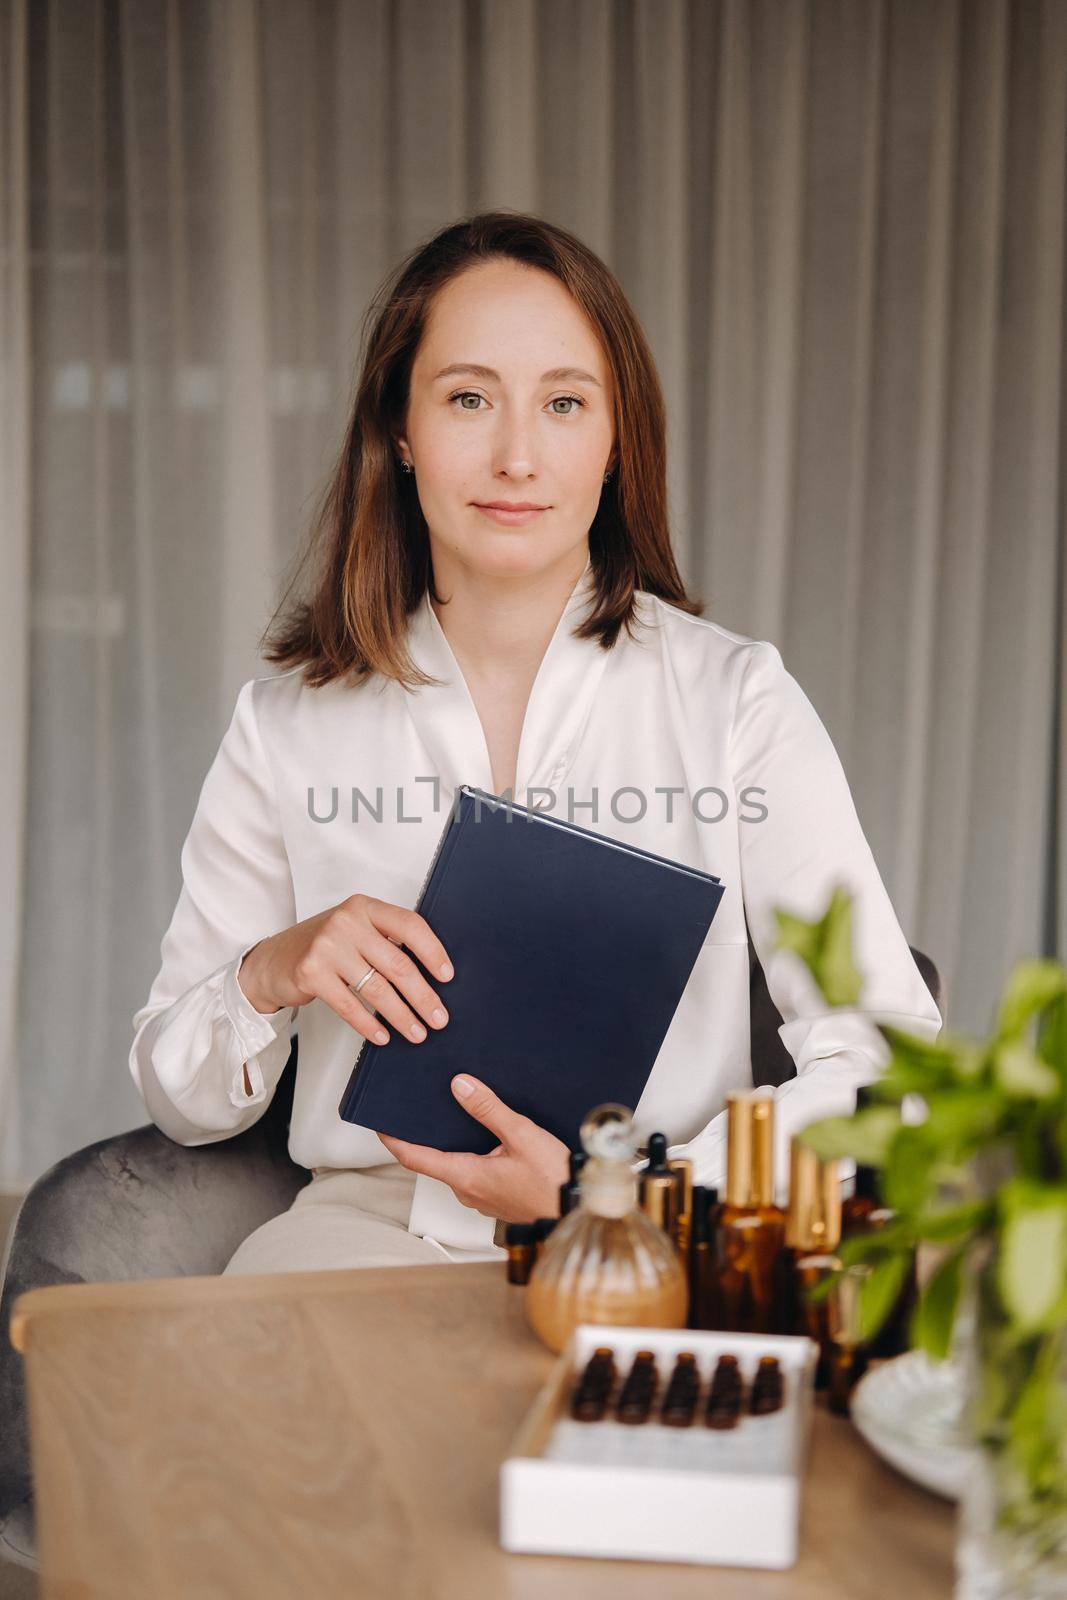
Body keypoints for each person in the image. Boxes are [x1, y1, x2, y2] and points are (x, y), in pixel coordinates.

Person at [128, 210, 942, 1275]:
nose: (516, 456)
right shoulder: (287, 721)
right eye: (468, 398)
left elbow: (892, 1065)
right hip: (364, 1234)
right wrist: (271, 969)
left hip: (653, 1235)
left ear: (615, 443)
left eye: (563, 403)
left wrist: (620, 1191)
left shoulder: (737, 701)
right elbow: (179, 1097)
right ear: (401, 430)